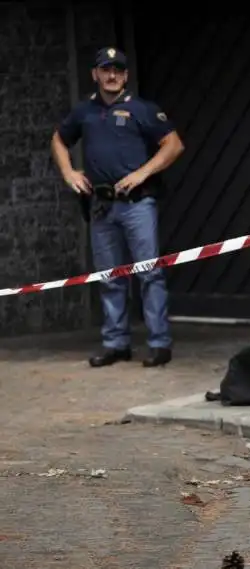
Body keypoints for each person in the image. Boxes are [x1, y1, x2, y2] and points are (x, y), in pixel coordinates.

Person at [51, 47, 184, 368]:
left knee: (149, 274)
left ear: (125, 75)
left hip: (137, 204)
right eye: (106, 70)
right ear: (95, 74)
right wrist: (69, 172)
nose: (112, 76)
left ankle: (159, 343)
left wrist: (142, 173)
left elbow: (174, 145)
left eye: (118, 71)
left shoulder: (142, 109)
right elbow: (58, 139)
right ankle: (116, 343)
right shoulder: (84, 112)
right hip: (101, 205)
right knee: (110, 277)